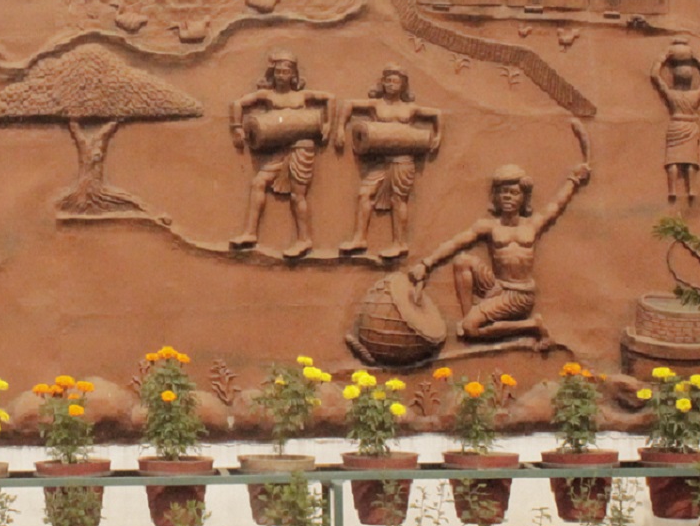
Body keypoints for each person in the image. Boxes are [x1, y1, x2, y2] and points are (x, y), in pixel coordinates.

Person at [406, 161, 590, 351]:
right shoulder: (489, 226)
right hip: (497, 285)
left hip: (520, 294)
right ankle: (470, 317)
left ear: (523, 198)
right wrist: (426, 264)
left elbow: (557, 204)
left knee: (471, 328)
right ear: (496, 197)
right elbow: (455, 243)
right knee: (462, 261)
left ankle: (531, 325)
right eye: (503, 193)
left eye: (514, 193)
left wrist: (574, 179)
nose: (508, 197)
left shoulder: (532, 225)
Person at [228, 51, 332, 258]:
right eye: (278, 71)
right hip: (280, 149)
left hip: (301, 148)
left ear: (293, 75)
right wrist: (237, 127)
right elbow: (237, 104)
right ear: (273, 74)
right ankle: (250, 233)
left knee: (297, 195)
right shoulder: (268, 96)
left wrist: (329, 123)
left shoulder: (302, 96)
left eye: (286, 71)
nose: (282, 75)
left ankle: (304, 239)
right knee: (258, 183)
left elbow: (330, 98)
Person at [334, 65, 442, 259]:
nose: (392, 85)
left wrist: (438, 136)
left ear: (403, 85)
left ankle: (399, 243)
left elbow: (436, 115)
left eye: (396, 81)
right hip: (381, 159)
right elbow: (349, 104)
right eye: (389, 81)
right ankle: (359, 238)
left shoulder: (410, 108)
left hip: (402, 160)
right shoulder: (376, 105)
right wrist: (341, 128)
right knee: (364, 194)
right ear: (383, 83)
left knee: (398, 200)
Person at [651, 39, 700, 204]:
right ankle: (691, 189)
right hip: (690, 126)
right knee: (690, 161)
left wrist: (664, 56)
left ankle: (672, 190)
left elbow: (655, 75)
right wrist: (696, 58)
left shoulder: (672, 95)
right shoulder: (695, 96)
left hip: (676, 125)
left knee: (673, 160)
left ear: (674, 78)